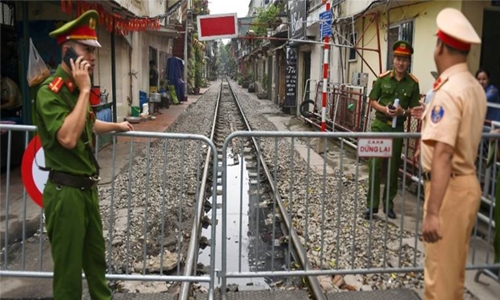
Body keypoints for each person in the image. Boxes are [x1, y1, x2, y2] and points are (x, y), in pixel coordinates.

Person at [35, 10, 133, 299]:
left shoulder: (73, 90)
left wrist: (117, 125)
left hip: (86, 190)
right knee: (68, 275)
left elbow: (87, 122)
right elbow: (67, 136)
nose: (91, 57)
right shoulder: (50, 92)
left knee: (96, 262)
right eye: (86, 50)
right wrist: (84, 90)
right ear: (67, 52)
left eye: (93, 50)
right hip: (65, 193)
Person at [420, 8, 486, 300]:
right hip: (466, 184)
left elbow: (444, 153)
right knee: (453, 274)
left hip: (448, 189)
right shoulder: (473, 86)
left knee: (439, 282)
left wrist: (433, 212)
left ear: (441, 47)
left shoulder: (448, 92)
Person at [364, 40, 421, 220]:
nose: (400, 62)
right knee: (375, 164)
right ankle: (371, 206)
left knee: (393, 167)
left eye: (404, 59)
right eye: (397, 58)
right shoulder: (382, 79)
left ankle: (388, 204)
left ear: (409, 62)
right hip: (380, 126)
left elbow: (414, 109)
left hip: (397, 129)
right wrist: (385, 109)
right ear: (393, 60)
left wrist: (402, 111)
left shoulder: (412, 84)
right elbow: (372, 100)